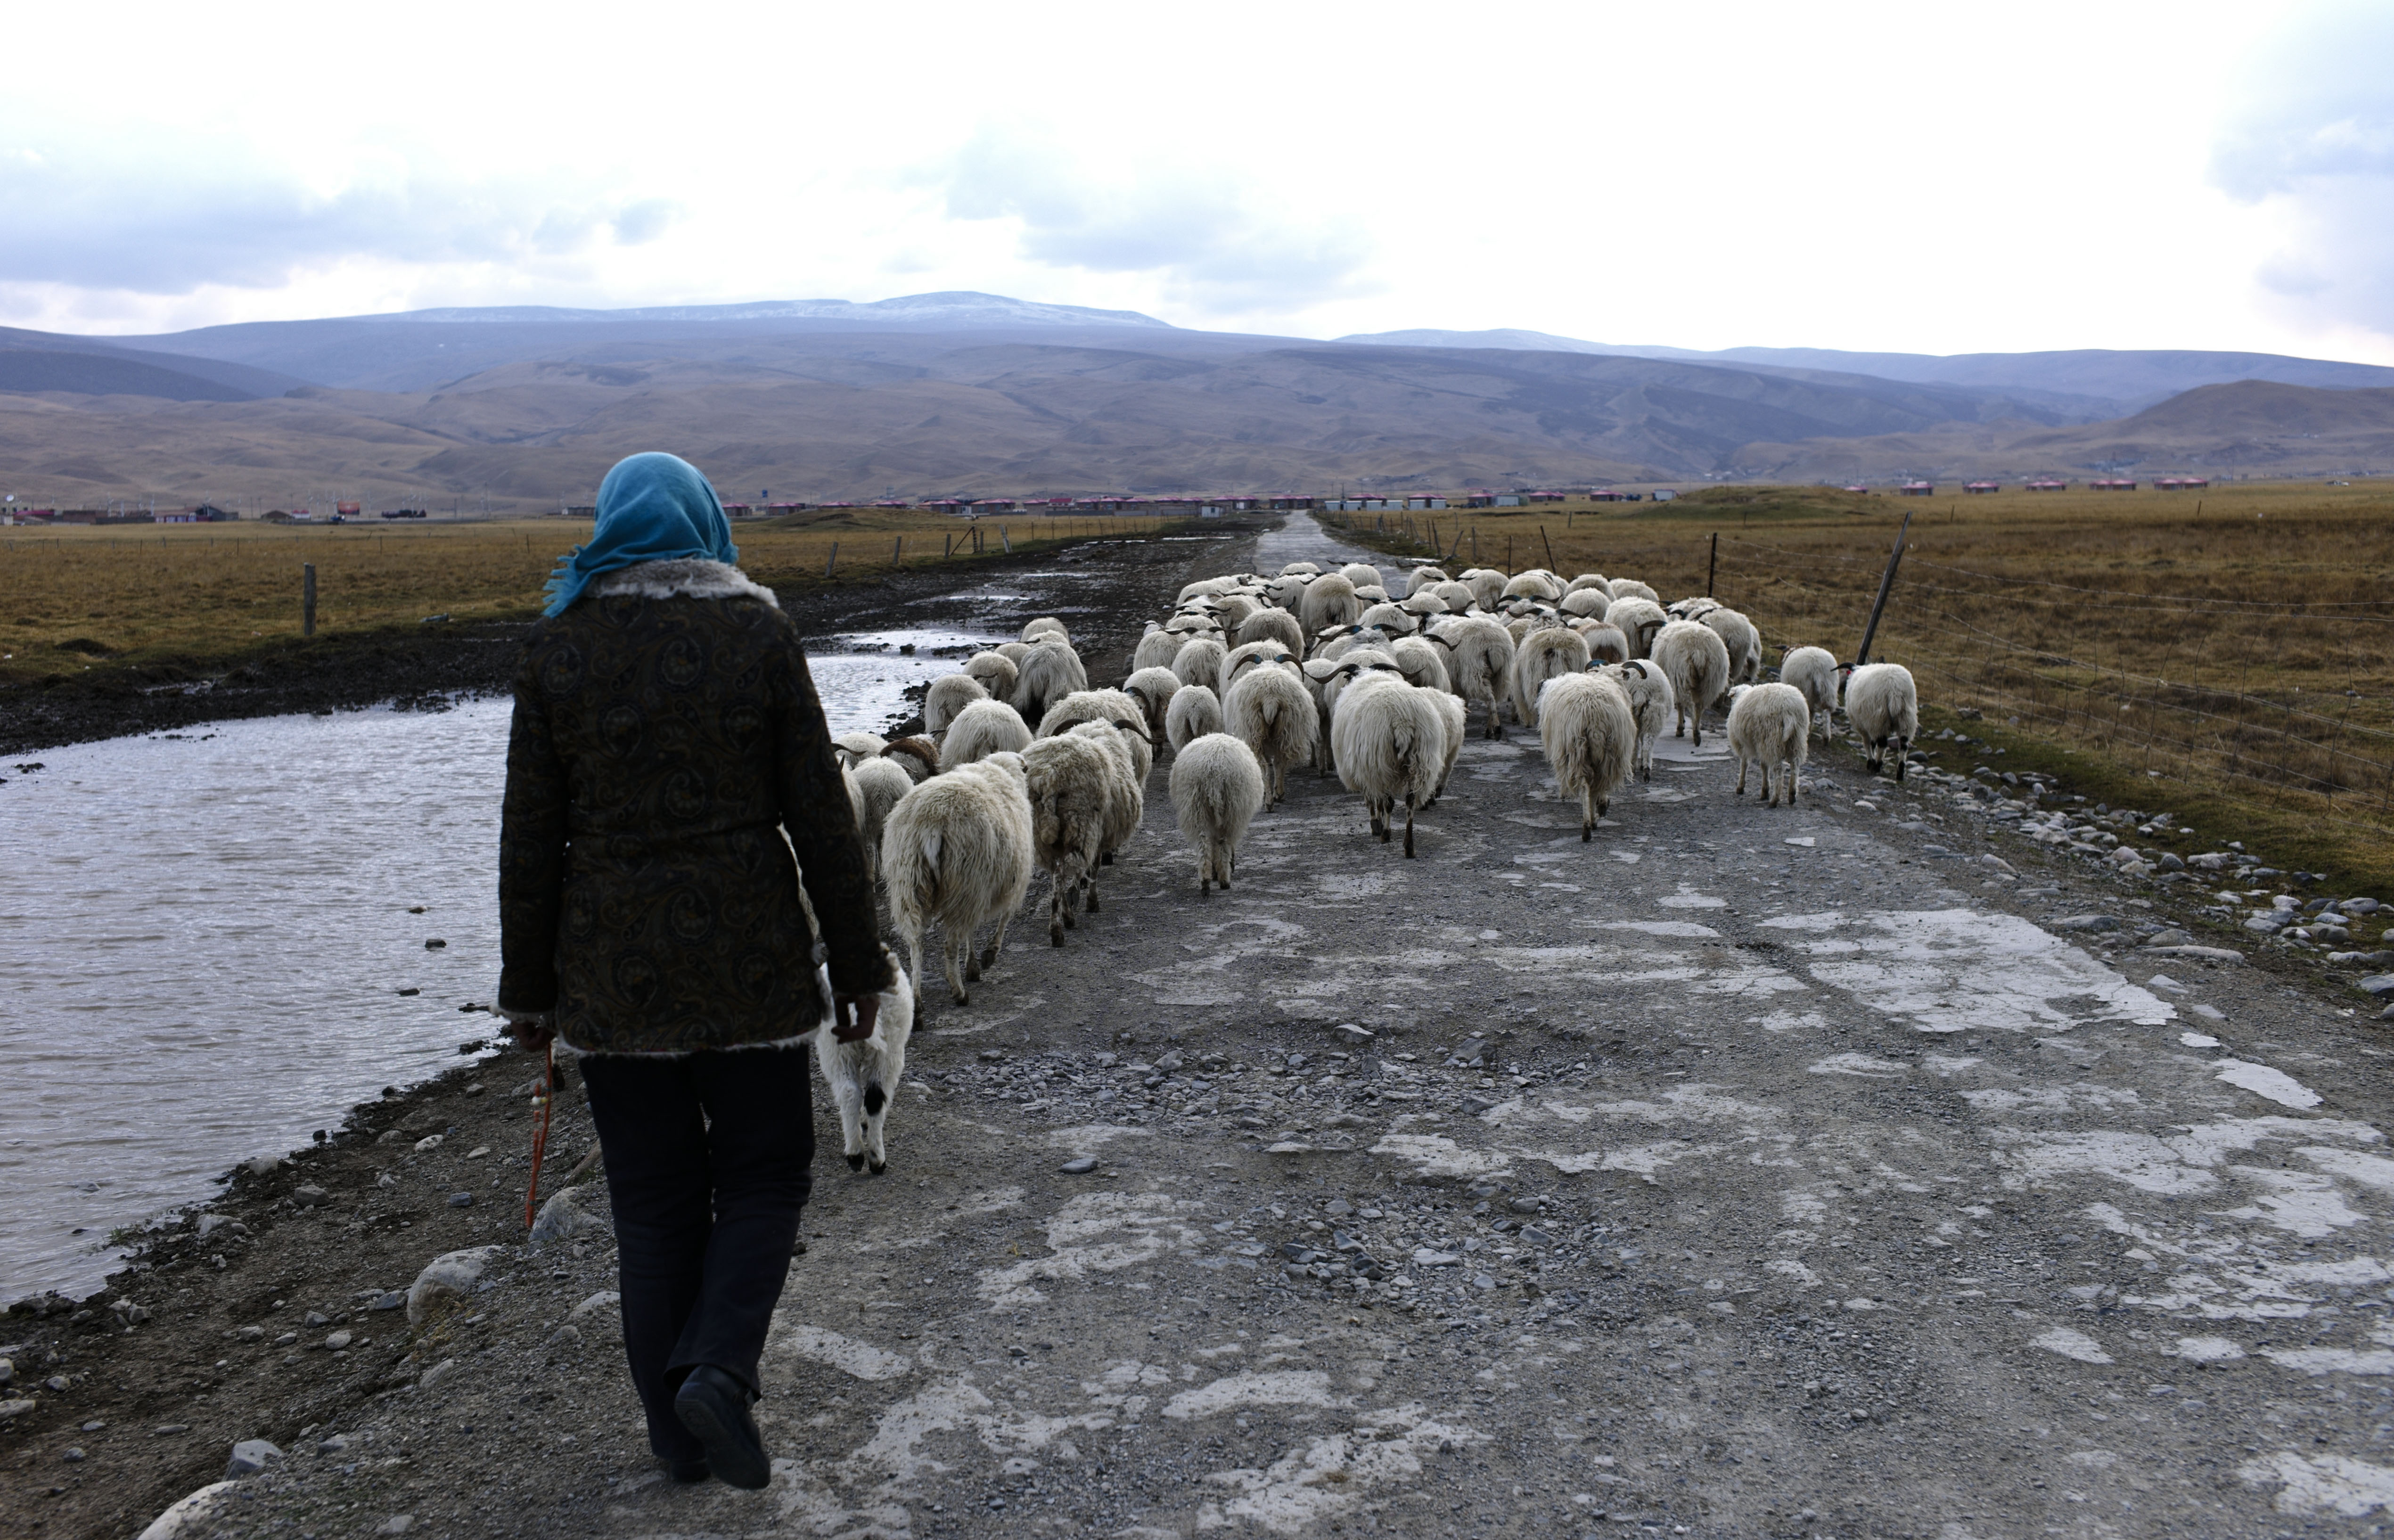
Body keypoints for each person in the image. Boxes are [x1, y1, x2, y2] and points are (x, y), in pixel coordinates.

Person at [496, 451, 891, 1490]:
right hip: (750, 961)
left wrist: (528, 995)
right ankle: (716, 1366)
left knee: (654, 1204)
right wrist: (858, 962)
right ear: (706, 523)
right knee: (766, 1174)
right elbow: (819, 809)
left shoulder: (556, 650)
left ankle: (675, 1440)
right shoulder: (756, 632)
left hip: (612, 977)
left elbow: (530, 841)